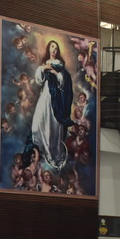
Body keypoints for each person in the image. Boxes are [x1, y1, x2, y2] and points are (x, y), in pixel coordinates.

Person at [31, 40, 74, 170]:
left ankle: (55, 155)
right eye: (52, 47)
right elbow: (39, 80)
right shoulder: (45, 64)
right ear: (49, 49)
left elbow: (64, 81)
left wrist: (55, 73)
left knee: (54, 126)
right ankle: (46, 152)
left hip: (56, 99)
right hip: (45, 96)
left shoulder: (60, 65)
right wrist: (44, 68)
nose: (54, 49)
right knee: (38, 124)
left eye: (56, 47)